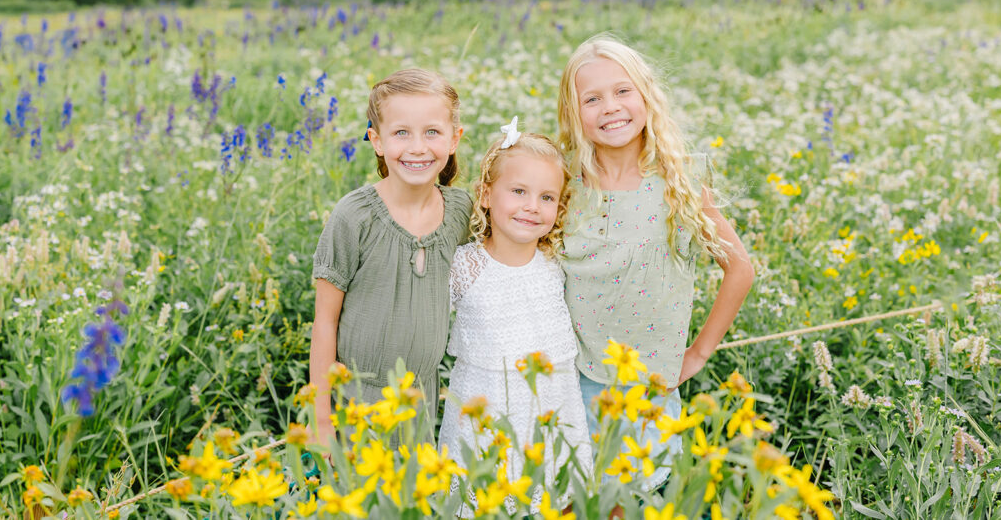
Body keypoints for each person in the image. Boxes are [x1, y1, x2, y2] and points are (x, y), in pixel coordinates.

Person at [558, 35, 754, 487]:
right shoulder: (563, 179)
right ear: (573, 113)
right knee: (576, 497)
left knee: (637, 496)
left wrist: (700, 352)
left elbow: (740, 269)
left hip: (650, 385)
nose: (610, 107)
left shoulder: (679, 181)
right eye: (592, 99)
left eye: (623, 91)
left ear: (646, 95)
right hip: (572, 377)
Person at [309, 68, 473, 447]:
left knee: (408, 503)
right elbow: (324, 322)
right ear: (377, 141)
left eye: (432, 132)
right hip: (357, 400)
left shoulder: (462, 211)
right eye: (402, 133)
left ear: (454, 139)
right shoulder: (355, 216)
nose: (417, 147)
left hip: (421, 399)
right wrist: (321, 420)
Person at [438, 120, 593, 512]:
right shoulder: (465, 265)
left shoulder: (557, 263)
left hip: (552, 406)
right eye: (519, 191)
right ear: (487, 195)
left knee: (552, 499)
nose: (531, 207)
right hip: (483, 408)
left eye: (546, 197)